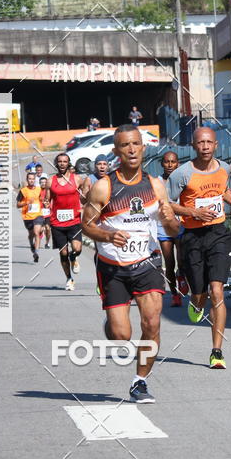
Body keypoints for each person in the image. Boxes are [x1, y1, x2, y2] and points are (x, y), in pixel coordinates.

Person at [82, 125, 179, 403]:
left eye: (136, 144)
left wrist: (169, 218)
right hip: (113, 267)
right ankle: (112, 326)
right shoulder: (104, 187)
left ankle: (140, 382)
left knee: (151, 323)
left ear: (144, 147)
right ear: (116, 151)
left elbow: (172, 230)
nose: (132, 149)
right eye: (125, 145)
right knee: (121, 335)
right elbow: (86, 225)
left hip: (147, 262)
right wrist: (108, 234)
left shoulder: (155, 185)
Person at [167, 127, 231, 370]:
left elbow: (222, 191)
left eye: (209, 142)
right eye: (200, 142)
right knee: (199, 294)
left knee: (217, 290)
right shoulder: (181, 174)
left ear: (216, 145)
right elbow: (167, 203)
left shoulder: (223, 168)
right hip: (192, 237)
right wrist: (193, 212)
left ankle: (216, 352)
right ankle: (196, 302)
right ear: (193, 145)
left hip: (219, 234)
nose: (205, 146)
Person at [44, 152, 85, 290]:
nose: (62, 163)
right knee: (63, 253)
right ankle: (69, 279)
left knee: (77, 249)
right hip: (57, 222)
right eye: (60, 161)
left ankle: (74, 258)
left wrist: (84, 204)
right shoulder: (51, 181)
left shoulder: (77, 179)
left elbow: (84, 197)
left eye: (65, 161)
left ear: (69, 163)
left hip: (74, 220)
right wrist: (45, 208)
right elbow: (47, 200)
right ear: (56, 163)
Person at [157, 151, 187, 307]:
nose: (169, 165)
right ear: (162, 163)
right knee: (169, 263)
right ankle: (175, 295)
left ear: (178, 164)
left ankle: (182, 279)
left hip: (181, 224)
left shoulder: (183, 180)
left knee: (182, 261)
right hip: (163, 227)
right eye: (167, 162)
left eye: (173, 162)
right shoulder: (156, 182)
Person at [16, 171, 44, 263]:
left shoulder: (39, 189)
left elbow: (42, 199)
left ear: (35, 179)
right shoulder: (23, 191)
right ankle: (31, 244)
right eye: (29, 179)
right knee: (31, 234)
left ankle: (36, 252)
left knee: (37, 232)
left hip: (38, 215)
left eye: (33, 179)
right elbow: (18, 205)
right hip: (27, 217)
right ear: (27, 180)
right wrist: (26, 203)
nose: (31, 180)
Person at [39, 176, 51, 248]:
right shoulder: (37, 191)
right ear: (39, 183)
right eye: (42, 182)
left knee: (48, 228)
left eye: (45, 182)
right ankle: (38, 239)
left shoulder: (49, 191)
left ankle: (47, 243)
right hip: (39, 212)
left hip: (48, 212)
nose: (43, 184)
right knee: (41, 229)